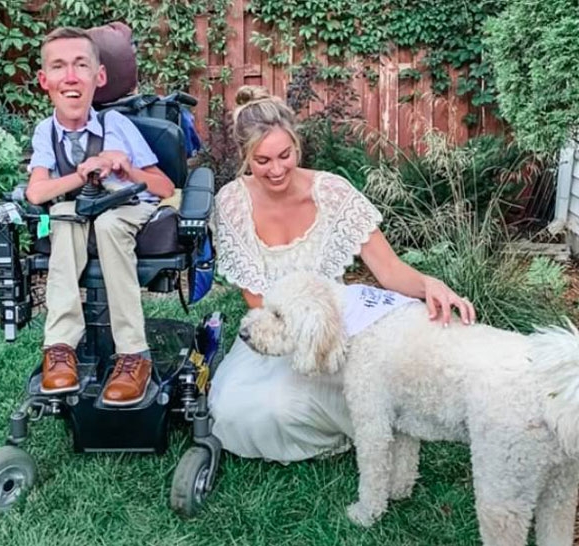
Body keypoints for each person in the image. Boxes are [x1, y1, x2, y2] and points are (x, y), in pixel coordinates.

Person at [209, 85, 476, 463]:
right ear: (244, 157)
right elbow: (256, 300)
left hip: (332, 330)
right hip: (275, 331)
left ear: (297, 146)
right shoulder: (232, 202)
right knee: (234, 411)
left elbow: (389, 269)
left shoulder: (333, 192)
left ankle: (363, 416)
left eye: (285, 155)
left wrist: (428, 284)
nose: (277, 169)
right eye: (262, 160)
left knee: (295, 402)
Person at [26, 27, 174, 406]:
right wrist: (83, 173)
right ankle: (60, 347)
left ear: (99, 76)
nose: (70, 76)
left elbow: (163, 187)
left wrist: (126, 170)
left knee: (108, 224)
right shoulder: (46, 132)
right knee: (63, 215)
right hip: (81, 212)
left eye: (81, 65)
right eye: (59, 67)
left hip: (123, 208)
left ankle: (133, 354)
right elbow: (37, 193)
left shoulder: (116, 126)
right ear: (44, 80)